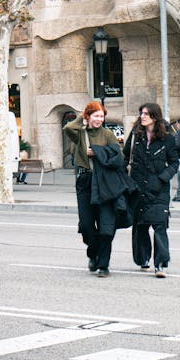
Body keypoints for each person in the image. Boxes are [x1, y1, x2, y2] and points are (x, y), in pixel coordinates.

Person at [63, 101, 123, 277]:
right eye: (96, 116)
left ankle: (103, 265)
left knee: (106, 227)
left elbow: (118, 156)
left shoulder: (108, 134)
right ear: (88, 116)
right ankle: (93, 253)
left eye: (102, 116)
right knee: (87, 225)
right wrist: (83, 116)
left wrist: (97, 152)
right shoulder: (80, 134)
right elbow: (67, 128)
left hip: (104, 182)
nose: (99, 119)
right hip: (85, 181)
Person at [123, 103, 178, 278]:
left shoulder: (167, 138)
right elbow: (125, 157)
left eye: (146, 113)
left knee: (160, 225)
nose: (142, 116)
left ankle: (160, 264)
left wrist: (162, 178)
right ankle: (143, 258)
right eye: (141, 113)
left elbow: (174, 163)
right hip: (137, 187)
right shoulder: (135, 136)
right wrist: (125, 180)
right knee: (141, 225)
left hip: (159, 189)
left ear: (155, 116)